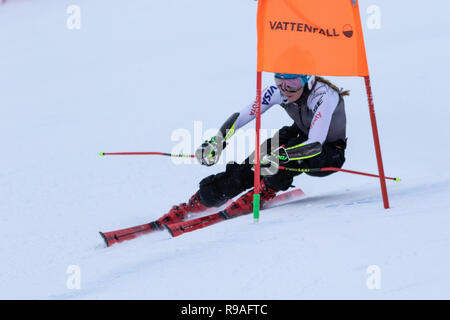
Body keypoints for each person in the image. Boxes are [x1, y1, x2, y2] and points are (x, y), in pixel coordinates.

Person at [156, 73, 349, 226]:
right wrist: (218, 140)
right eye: (279, 83)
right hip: (299, 135)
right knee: (254, 163)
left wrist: (280, 157)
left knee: (278, 158)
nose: (285, 90)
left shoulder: (324, 96)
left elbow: (314, 144)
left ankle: (266, 189)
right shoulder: (279, 92)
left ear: (308, 80)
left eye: (292, 84)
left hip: (328, 153)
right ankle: (202, 200)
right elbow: (242, 116)